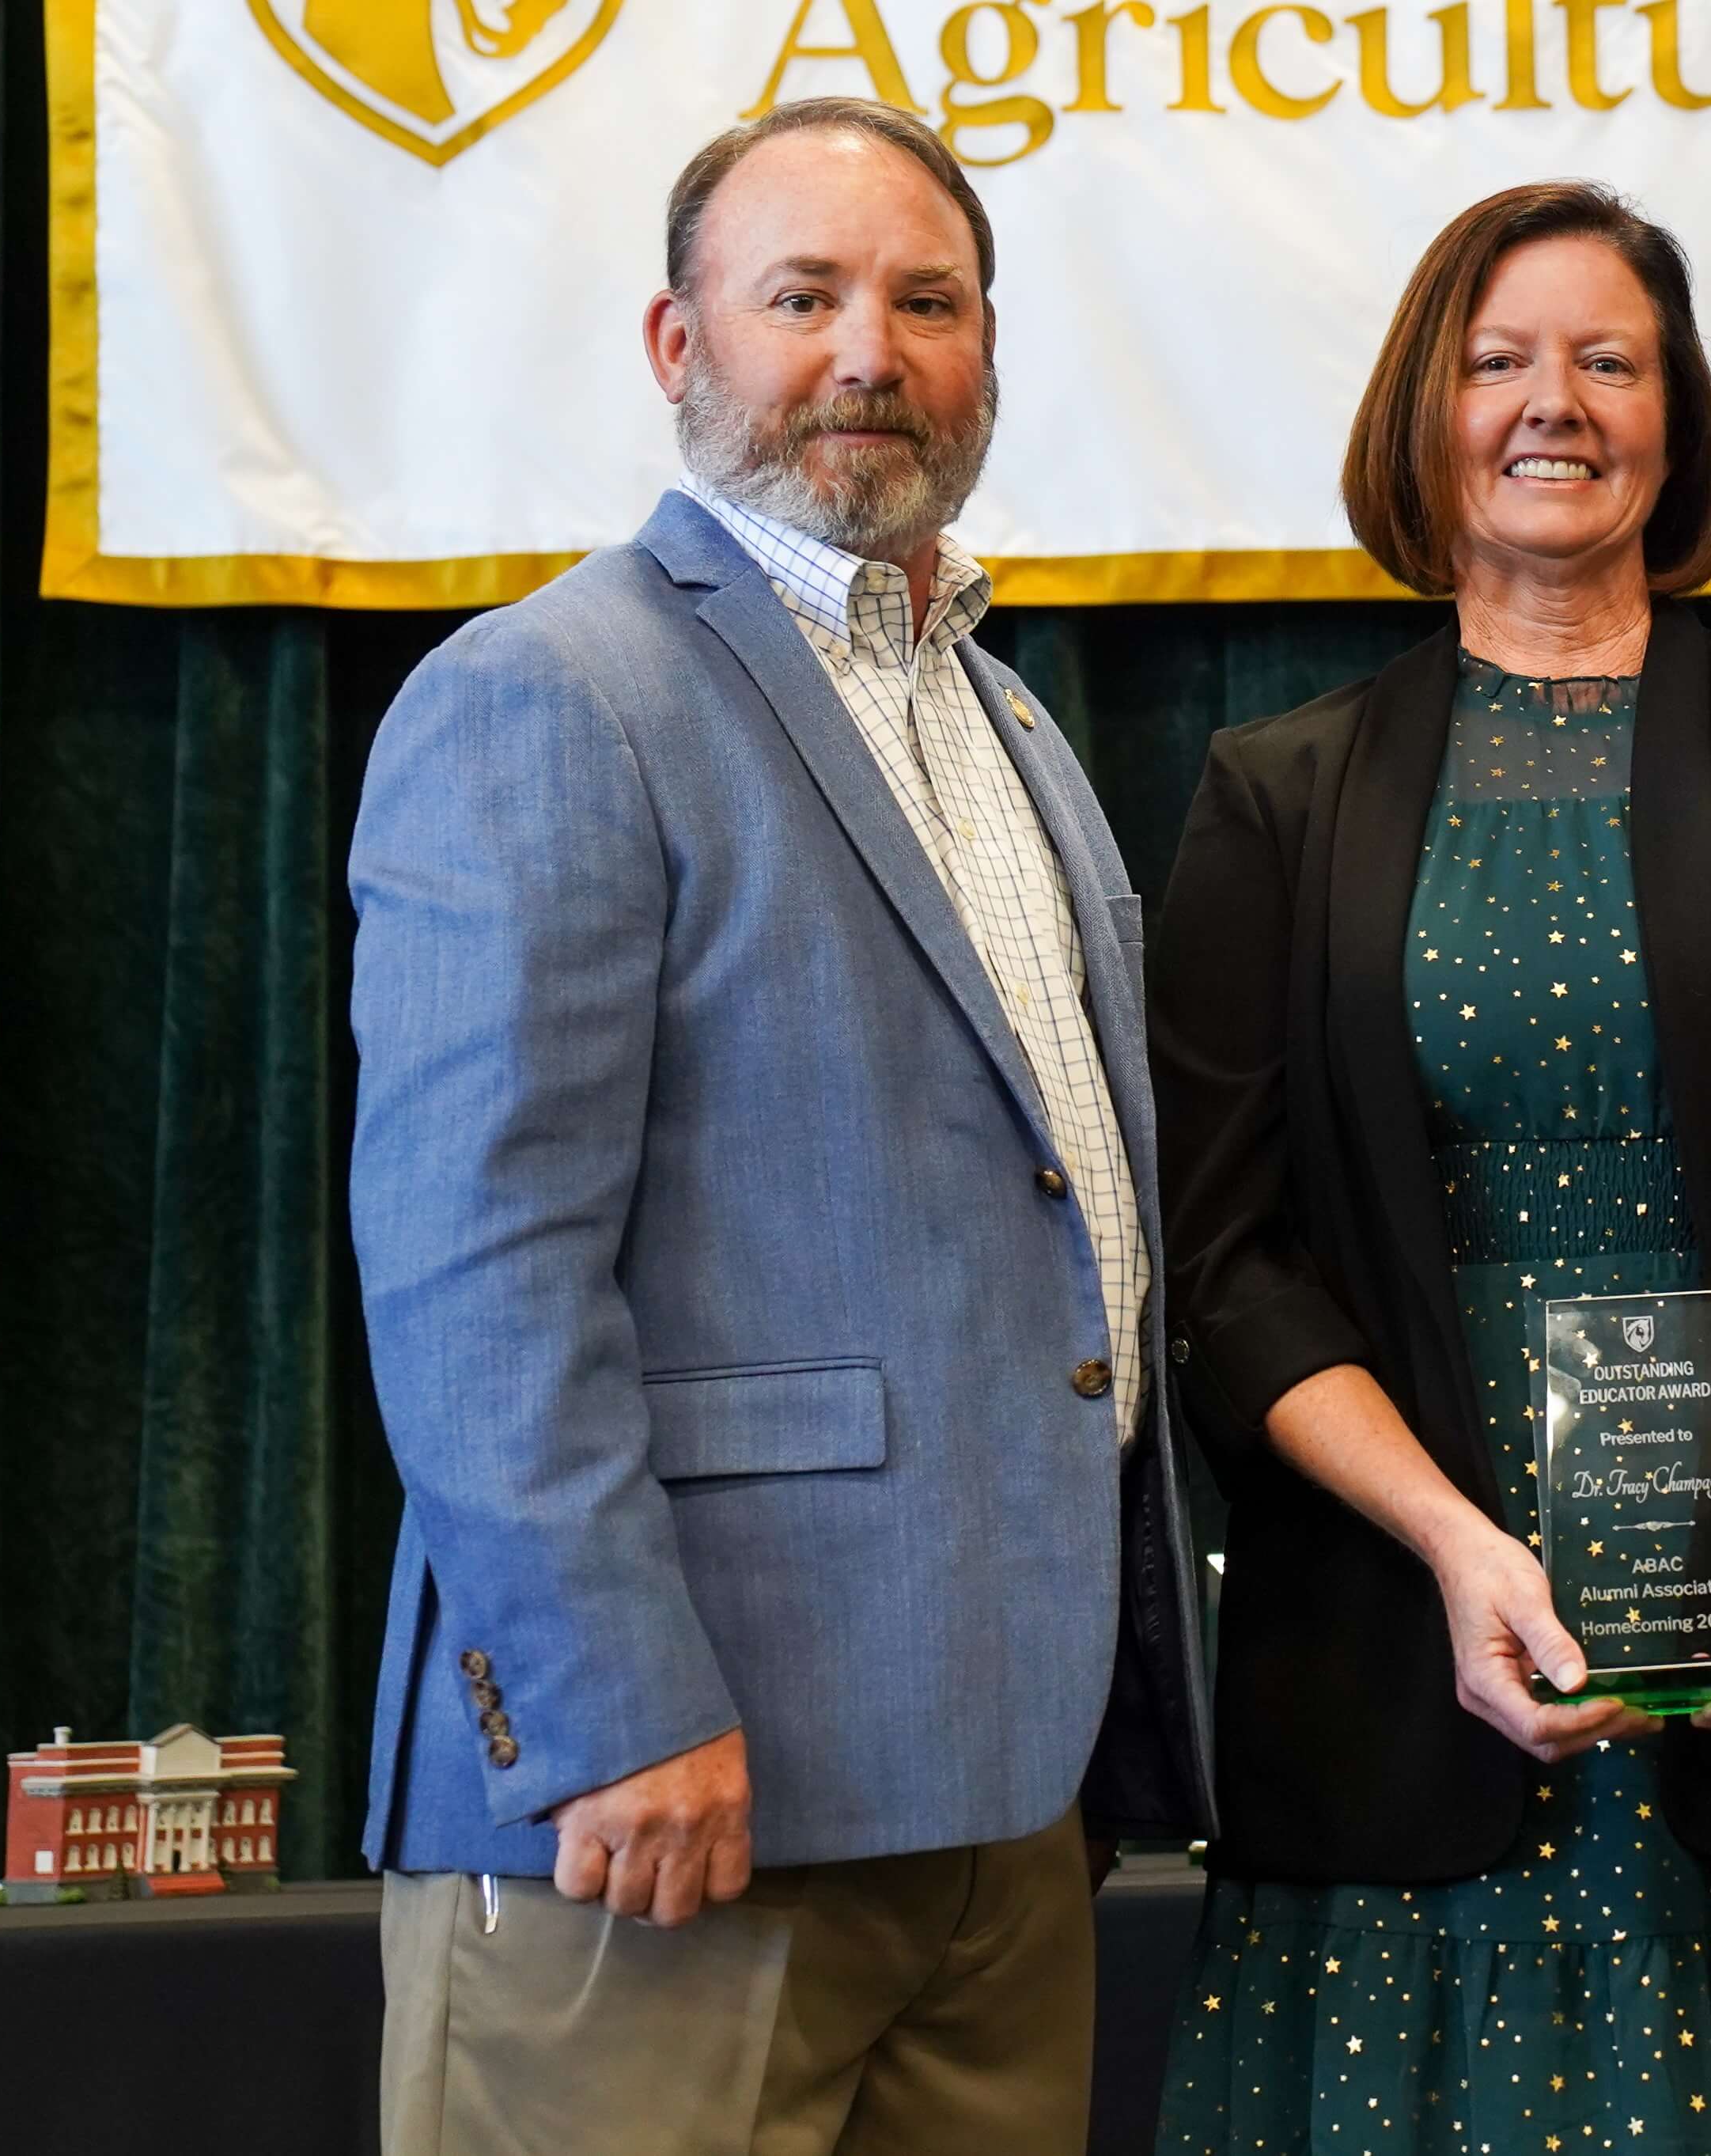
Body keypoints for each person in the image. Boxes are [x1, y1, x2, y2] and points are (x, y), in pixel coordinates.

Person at [1147, 181, 1711, 2153]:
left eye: (1609, 360)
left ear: (1677, 414)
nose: (1553, 403)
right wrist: (1461, 1541)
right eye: (1499, 360)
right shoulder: (1272, 797)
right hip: (1410, 1650)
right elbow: (1220, 1266)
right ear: (1423, 412)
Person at [348, 97, 1209, 2156]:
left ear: (987, 349)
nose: (867, 352)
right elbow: (478, 1262)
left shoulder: (1005, 719)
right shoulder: (548, 693)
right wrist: (612, 1700)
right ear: (676, 345)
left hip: (1003, 1821)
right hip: (665, 1804)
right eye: (800, 295)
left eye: (927, 301)